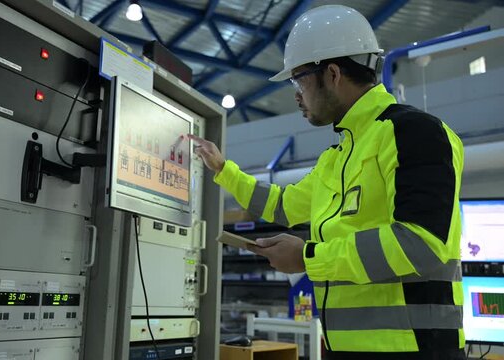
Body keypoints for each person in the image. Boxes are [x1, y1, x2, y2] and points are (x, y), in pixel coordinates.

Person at [189, 5, 465, 360]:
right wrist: (223, 169)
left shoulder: (415, 133)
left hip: (415, 350)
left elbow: (422, 243)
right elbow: (283, 205)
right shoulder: (337, 157)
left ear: (332, 73)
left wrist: (308, 257)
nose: (296, 94)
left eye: (298, 79)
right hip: (345, 349)